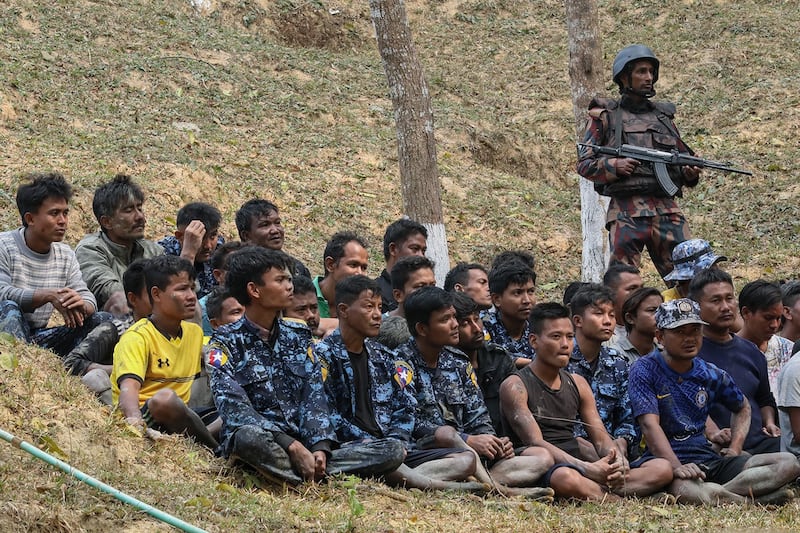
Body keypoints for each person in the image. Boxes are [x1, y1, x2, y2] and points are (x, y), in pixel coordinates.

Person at [208, 247, 403, 485]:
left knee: (392, 450)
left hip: (304, 441)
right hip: (269, 441)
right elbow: (233, 408)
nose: (289, 286)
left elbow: (315, 397)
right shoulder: (225, 342)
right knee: (247, 438)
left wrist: (319, 446)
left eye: (289, 279)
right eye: (280, 280)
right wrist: (289, 444)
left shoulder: (298, 335)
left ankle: (309, 470)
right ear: (254, 290)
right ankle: (311, 475)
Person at [315, 275, 485, 492]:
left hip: (393, 447)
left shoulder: (382, 357)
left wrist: (398, 439)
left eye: (379, 307)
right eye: (369, 307)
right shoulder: (323, 355)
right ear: (343, 310)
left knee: (466, 459)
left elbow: (405, 407)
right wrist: (372, 442)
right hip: (354, 447)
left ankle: (394, 478)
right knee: (387, 453)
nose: (378, 315)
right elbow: (325, 412)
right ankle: (433, 484)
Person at [629, 299, 800, 504]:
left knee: (788, 463)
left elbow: (742, 406)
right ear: (660, 337)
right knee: (690, 492)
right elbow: (649, 425)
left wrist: (735, 448)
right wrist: (677, 466)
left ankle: (722, 493)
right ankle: (750, 500)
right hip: (666, 463)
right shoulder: (644, 369)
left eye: (694, 331)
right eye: (680, 332)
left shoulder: (708, 372)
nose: (689, 338)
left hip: (709, 457)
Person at [499, 302, 672, 500]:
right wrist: (588, 469)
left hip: (581, 462)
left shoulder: (578, 383)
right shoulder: (516, 385)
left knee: (663, 468)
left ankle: (602, 491)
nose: (565, 344)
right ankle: (619, 500)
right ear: (534, 341)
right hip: (546, 465)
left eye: (570, 337)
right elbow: (535, 441)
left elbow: (599, 436)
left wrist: (616, 462)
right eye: (556, 337)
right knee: (565, 477)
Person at [397, 287, 555, 499]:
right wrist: (467, 439)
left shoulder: (458, 362)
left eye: (454, 317)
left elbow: (478, 414)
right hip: (429, 453)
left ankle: (479, 484)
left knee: (542, 457)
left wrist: (493, 442)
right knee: (455, 445)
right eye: (445, 320)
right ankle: (500, 491)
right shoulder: (401, 364)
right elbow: (408, 422)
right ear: (422, 329)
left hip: (471, 455)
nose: (454, 324)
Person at [577, 44, 701, 280]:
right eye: (641, 71)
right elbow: (584, 163)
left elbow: (683, 160)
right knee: (623, 283)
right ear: (624, 77)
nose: (649, 77)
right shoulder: (606, 116)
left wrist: (690, 173)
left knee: (691, 278)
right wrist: (615, 166)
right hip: (626, 212)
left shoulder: (662, 117)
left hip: (667, 210)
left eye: (651, 72)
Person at [0, 173, 117, 382]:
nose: (63, 221)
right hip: (6, 339)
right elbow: (2, 294)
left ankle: (73, 364)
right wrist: (46, 296)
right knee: (9, 307)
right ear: (30, 218)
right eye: (54, 213)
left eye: (65, 213)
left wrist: (81, 303)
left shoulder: (65, 253)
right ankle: (21, 373)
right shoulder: (4, 245)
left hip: (36, 340)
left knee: (104, 320)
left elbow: (87, 296)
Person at [111, 255, 218, 448]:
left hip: (183, 417)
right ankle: (215, 452)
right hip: (149, 416)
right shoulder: (137, 336)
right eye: (182, 289)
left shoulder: (193, 332)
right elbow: (129, 388)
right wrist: (135, 423)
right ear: (157, 294)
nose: (192, 296)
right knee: (164, 399)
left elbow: (217, 361)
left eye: (192, 288)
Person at [689, 269, 780, 455]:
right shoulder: (689, 354)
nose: (725, 307)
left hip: (760, 443)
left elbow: (764, 399)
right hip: (716, 447)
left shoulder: (751, 351)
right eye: (716, 301)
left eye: (729, 298)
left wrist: (769, 423)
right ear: (697, 306)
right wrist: (713, 433)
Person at [75, 174, 164, 316]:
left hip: (154, 321)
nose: (140, 217)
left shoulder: (153, 250)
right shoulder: (90, 249)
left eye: (139, 208)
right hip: (107, 327)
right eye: (129, 210)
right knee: (120, 301)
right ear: (107, 222)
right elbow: (108, 289)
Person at [567, 284, 637, 459]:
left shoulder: (618, 364)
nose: (608, 321)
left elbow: (627, 415)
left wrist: (622, 440)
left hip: (611, 451)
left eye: (611, 315)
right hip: (571, 449)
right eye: (599, 314)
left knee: (661, 469)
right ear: (578, 321)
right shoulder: (561, 359)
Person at [453, 292, 516, 434]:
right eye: (465, 323)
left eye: (477, 319)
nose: (476, 328)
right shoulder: (447, 366)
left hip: (505, 441)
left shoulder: (498, 357)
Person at [738, 280, 794, 394]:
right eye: (768, 318)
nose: (775, 325)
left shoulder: (788, 351)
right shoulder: (726, 352)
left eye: (778, 318)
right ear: (746, 313)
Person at [159, 202, 223, 298]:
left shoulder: (220, 249)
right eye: (200, 238)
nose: (208, 246)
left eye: (212, 236)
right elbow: (173, 298)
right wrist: (189, 253)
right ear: (180, 236)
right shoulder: (163, 252)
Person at [234, 198, 311, 278]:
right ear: (246, 236)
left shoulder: (297, 269)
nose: (275, 230)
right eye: (265, 225)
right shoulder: (238, 271)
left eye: (277, 223)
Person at [374, 256, 436, 349]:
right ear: (398, 295)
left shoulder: (440, 326)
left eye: (432, 285)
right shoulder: (376, 328)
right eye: (420, 286)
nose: (430, 291)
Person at [483, 260, 537, 365]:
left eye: (530, 291)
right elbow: (489, 359)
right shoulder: (483, 327)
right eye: (518, 293)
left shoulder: (539, 327)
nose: (527, 300)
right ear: (497, 299)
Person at [375, 218, 428, 313]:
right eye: (415, 249)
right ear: (393, 249)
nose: (421, 256)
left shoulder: (427, 289)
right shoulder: (374, 292)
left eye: (423, 251)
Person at [313, 231, 369, 319]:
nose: (360, 273)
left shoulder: (361, 306)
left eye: (364, 268)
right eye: (353, 265)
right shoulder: (300, 297)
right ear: (330, 264)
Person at [198, 241, 245, 336]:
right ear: (218, 275)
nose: (243, 272)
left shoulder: (260, 300)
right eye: (235, 267)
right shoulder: (201, 310)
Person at [608, 286, 663, 363]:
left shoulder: (667, 352)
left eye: (661, 310)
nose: (660, 316)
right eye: (652, 310)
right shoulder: (613, 355)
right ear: (630, 318)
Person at [662, 239, 727, 301]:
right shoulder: (666, 302)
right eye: (709, 271)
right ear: (688, 278)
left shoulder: (721, 296)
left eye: (715, 265)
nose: (716, 275)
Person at [603, 262, 642, 341]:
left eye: (642, 288)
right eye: (632, 288)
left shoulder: (650, 327)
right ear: (610, 291)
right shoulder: (600, 330)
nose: (641, 293)